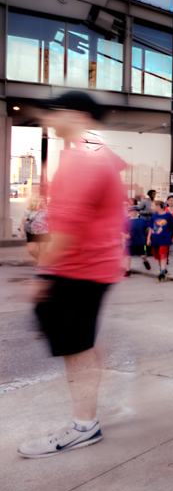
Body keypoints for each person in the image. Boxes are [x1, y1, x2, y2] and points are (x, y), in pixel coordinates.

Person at [18, 92, 126, 459]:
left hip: (79, 268)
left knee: (74, 349)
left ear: (78, 115)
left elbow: (72, 223)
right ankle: (90, 395)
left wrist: (45, 274)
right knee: (80, 345)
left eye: (55, 110)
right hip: (96, 266)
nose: (49, 117)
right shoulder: (98, 153)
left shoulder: (82, 157)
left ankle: (84, 427)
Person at [147, 200, 173, 283]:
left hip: (165, 239)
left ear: (159, 206)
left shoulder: (168, 215)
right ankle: (163, 268)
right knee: (157, 256)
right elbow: (151, 228)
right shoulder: (154, 216)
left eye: (153, 206)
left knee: (163, 254)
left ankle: (162, 273)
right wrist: (148, 238)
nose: (151, 207)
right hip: (155, 239)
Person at [20, 195, 51, 264]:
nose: (44, 202)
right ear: (36, 202)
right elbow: (22, 222)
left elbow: (53, 220)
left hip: (44, 233)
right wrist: (22, 231)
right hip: (32, 233)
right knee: (31, 250)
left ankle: (40, 264)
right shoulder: (28, 211)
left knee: (42, 250)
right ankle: (42, 261)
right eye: (42, 201)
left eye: (44, 201)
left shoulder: (47, 211)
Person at [126, 206, 151, 273]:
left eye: (136, 211)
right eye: (132, 211)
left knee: (143, 255)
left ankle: (145, 261)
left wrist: (150, 232)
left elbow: (148, 228)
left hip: (141, 241)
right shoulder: (127, 221)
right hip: (130, 242)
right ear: (129, 212)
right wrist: (125, 235)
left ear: (138, 212)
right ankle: (128, 270)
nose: (134, 212)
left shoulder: (142, 220)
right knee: (128, 257)